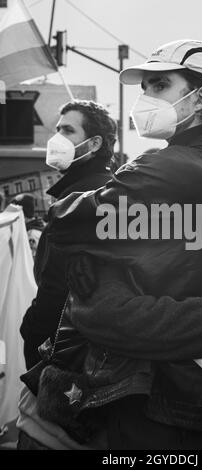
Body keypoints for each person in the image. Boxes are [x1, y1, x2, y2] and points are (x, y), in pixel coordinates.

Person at [19, 40, 202, 450]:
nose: (145, 97)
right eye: (144, 88)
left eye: (159, 85)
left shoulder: (169, 166)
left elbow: (69, 226)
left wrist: (68, 215)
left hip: (157, 398)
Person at [19, 100, 117, 370]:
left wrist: (34, 328)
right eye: (57, 129)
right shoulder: (97, 189)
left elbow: (60, 282)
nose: (57, 139)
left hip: (62, 346)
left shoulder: (84, 198)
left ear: (94, 144)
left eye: (68, 130)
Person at [10, 193, 46, 259]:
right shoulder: (39, 226)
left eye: (15, 212)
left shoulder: (31, 234)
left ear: (22, 213)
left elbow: (32, 263)